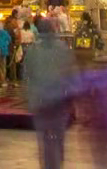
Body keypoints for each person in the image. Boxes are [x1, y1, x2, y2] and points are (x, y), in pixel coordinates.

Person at [23, 18, 75, 169]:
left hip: (40, 101)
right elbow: (70, 74)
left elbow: (26, 74)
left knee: (45, 140)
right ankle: (58, 163)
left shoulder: (33, 50)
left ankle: (47, 165)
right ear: (53, 30)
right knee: (59, 138)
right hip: (59, 101)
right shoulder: (63, 49)